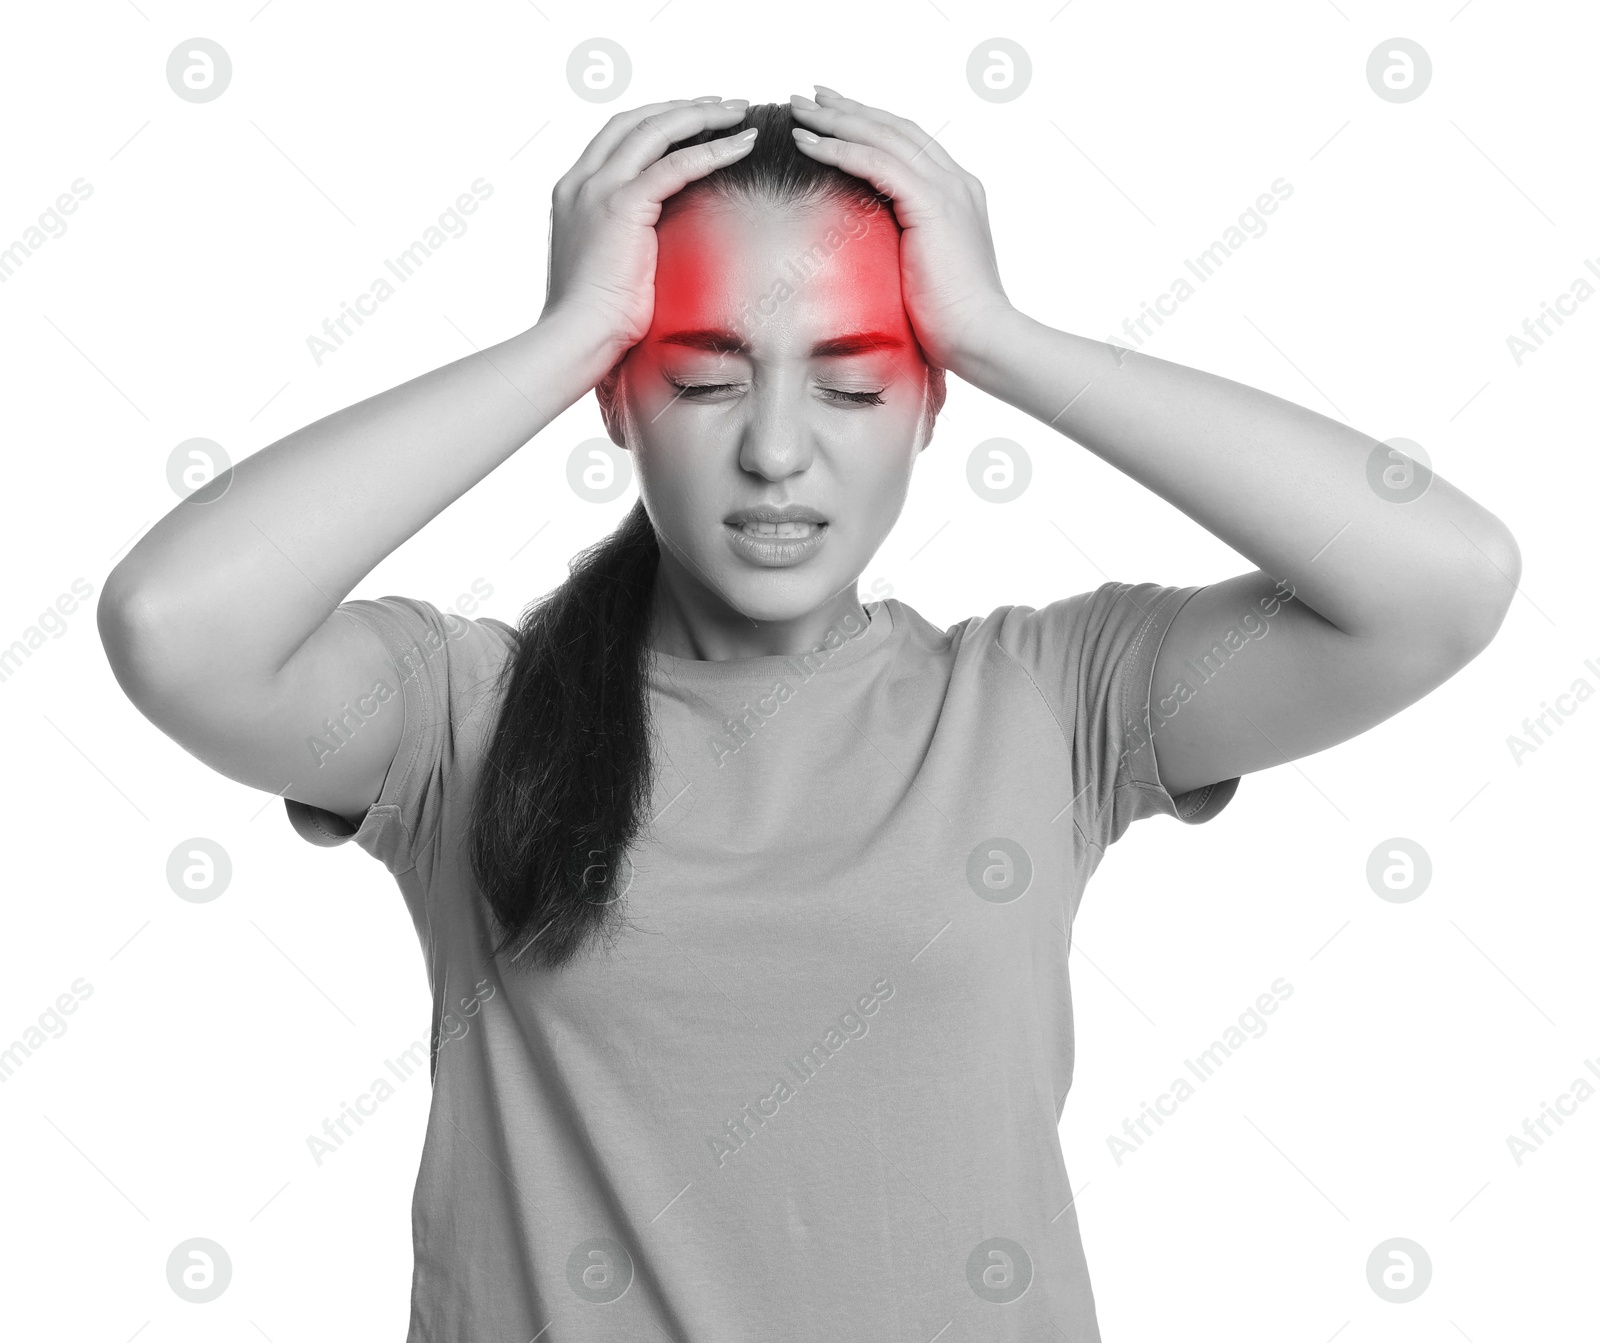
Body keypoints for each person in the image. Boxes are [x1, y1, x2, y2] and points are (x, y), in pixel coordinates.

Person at [98, 89, 1520, 1341]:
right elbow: (177, 627)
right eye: (704, 379)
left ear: (928, 402)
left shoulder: (1046, 704)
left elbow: (1438, 583)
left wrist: (1004, 336)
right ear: (620, 405)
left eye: (851, 381)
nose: (777, 450)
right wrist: (567, 337)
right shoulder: (461, 719)